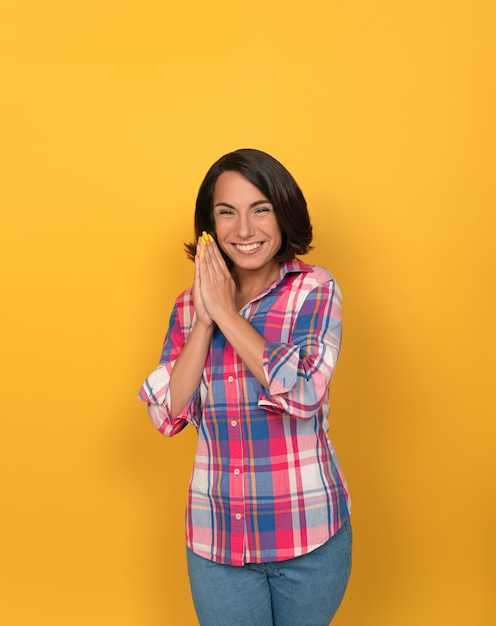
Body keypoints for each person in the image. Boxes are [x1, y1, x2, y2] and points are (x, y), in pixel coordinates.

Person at [138, 148, 351, 626]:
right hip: (217, 540)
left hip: (308, 537)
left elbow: (303, 395)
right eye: (226, 212)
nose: (245, 229)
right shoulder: (190, 305)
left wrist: (229, 316)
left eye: (261, 209)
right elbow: (168, 412)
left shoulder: (314, 290)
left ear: (283, 212)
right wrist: (204, 318)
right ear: (210, 225)